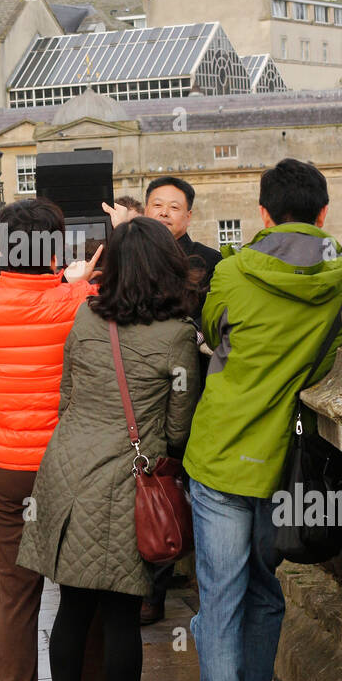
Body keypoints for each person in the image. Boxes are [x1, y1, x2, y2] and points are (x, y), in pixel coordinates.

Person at [183, 158, 342, 681]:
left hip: (222, 454)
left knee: (220, 601)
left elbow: (213, 329)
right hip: (290, 463)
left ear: (262, 213)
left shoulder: (233, 272)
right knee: (265, 591)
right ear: (324, 214)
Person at [18, 218, 201, 681]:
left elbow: (67, 392)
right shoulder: (175, 335)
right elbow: (179, 423)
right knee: (122, 615)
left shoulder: (86, 317)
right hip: (126, 479)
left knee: (72, 605)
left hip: (66, 470)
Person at [0, 199, 103, 681]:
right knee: (83, 589)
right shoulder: (81, 302)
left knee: (16, 595)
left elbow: (8, 289)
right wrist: (72, 278)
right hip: (69, 466)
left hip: (5, 469)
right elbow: (67, 298)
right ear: (57, 246)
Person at [106, 176, 220, 624]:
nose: (166, 212)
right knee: (148, 481)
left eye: (175, 207)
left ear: (188, 215)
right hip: (137, 386)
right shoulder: (128, 252)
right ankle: (150, 583)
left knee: (176, 475)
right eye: (158, 205)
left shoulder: (208, 261)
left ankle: (170, 562)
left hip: (189, 378)